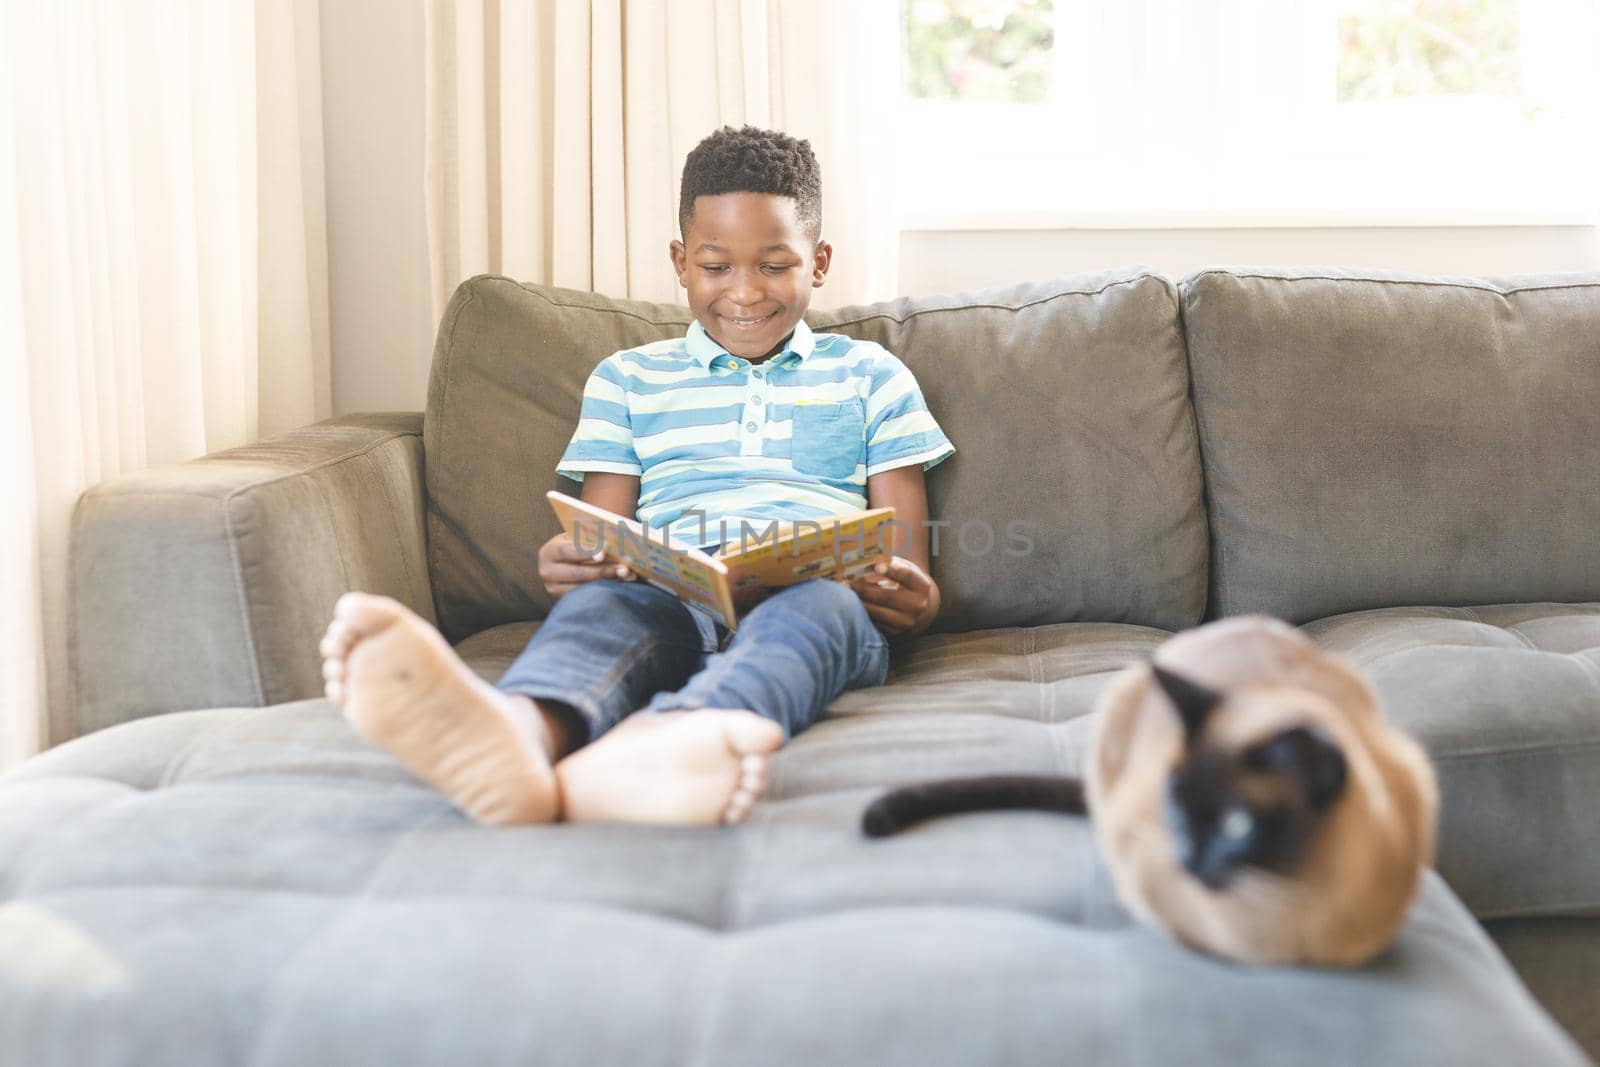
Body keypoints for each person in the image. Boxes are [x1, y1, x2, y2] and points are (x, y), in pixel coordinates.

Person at [319, 126, 954, 828]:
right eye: (717, 266)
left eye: (774, 265)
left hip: (814, 597)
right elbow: (606, 536)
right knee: (604, 612)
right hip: (668, 597)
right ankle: (521, 735)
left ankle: (675, 742)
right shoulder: (628, 379)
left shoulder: (872, 376)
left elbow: (904, 564)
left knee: (821, 615)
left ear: (819, 261)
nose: (745, 291)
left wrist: (911, 601)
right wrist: (579, 565)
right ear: (682, 262)